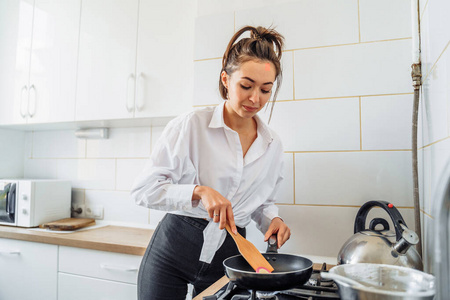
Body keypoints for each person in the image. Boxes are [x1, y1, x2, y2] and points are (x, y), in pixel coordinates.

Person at [131, 25, 291, 300]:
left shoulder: (272, 145)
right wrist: (199, 191)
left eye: (266, 90)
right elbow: (144, 190)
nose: (256, 98)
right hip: (172, 250)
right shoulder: (191, 126)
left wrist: (272, 220)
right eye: (246, 85)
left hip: (230, 258)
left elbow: (262, 202)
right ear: (226, 79)